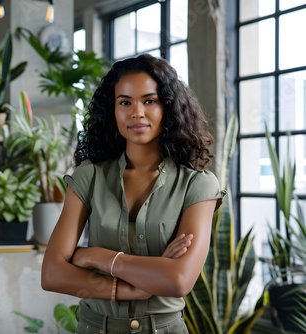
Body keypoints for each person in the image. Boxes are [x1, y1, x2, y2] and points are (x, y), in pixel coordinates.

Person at [41, 54, 226, 334]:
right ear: (112, 110)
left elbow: (179, 281)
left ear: (168, 107)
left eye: (149, 101)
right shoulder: (89, 176)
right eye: (125, 102)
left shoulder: (198, 185)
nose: (137, 112)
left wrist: (97, 257)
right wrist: (132, 289)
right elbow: (52, 274)